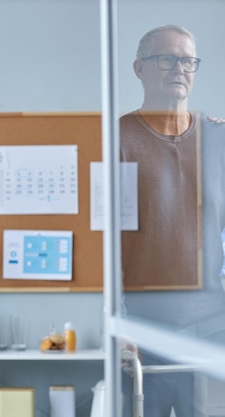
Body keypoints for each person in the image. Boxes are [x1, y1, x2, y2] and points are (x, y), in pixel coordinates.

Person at [119, 25, 225, 417]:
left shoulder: (219, 139)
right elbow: (109, 242)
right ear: (138, 68)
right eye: (166, 59)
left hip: (215, 329)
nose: (178, 69)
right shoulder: (119, 140)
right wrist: (121, 324)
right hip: (148, 330)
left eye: (187, 60)